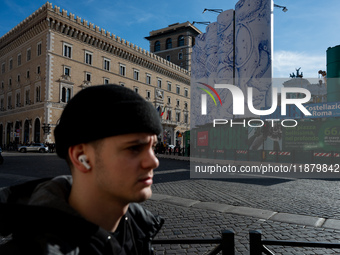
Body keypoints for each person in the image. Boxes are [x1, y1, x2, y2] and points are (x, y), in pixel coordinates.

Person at [0, 84, 164, 254]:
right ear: (81, 157)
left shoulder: (139, 228)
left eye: (153, 147)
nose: (153, 162)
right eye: (134, 148)